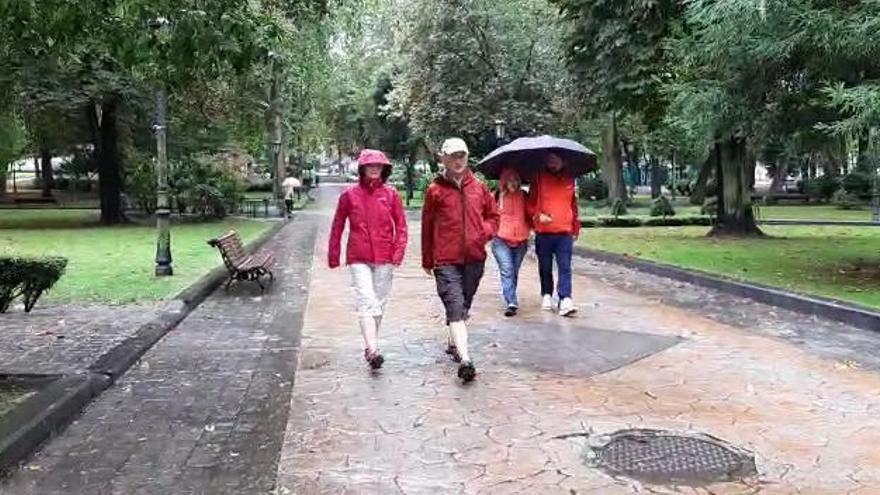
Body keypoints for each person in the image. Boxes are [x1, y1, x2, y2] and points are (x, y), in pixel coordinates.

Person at [422, 138, 499, 383]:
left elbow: (494, 215)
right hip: (445, 259)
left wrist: (483, 232)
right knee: (454, 305)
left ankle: (454, 341)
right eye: (453, 156)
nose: (458, 161)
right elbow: (427, 227)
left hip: (474, 258)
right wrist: (427, 259)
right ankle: (466, 360)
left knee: (463, 304)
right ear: (443, 158)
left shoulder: (479, 187)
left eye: (462, 156)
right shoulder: (435, 191)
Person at [328, 149, 408, 370]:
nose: (374, 168)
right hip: (359, 256)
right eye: (370, 165)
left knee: (379, 304)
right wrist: (334, 254)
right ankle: (373, 350)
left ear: (384, 169)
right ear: (362, 168)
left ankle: (369, 344)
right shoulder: (349, 195)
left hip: (384, 255)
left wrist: (398, 252)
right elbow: (337, 226)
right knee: (367, 300)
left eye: (378, 165)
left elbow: (401, 226)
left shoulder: (391, 195)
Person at [526, 152, 580, 317]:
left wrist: (575, 227)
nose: (553, 162)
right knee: (545, 266)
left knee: (565, 266)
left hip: (564, 231)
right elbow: (529, 204)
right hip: (544, 232)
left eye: (556, 159)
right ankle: (547, 294)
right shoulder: (539, 179)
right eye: (549, 159)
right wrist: (536, 215)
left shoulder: (570, 180)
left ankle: (565, 298)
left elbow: (574, 206)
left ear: (563, 161)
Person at [491, 168, 530, 317]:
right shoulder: (496, 197)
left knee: (513, 271)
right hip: (501, 239)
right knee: (507, 270)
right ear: (504, 182)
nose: (513, 183)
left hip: (521, 240)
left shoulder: (524, 196)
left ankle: (510, 294)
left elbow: (532, 212)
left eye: (515, 180)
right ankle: (511, 301)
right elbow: (486, 215)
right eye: (509, 180)